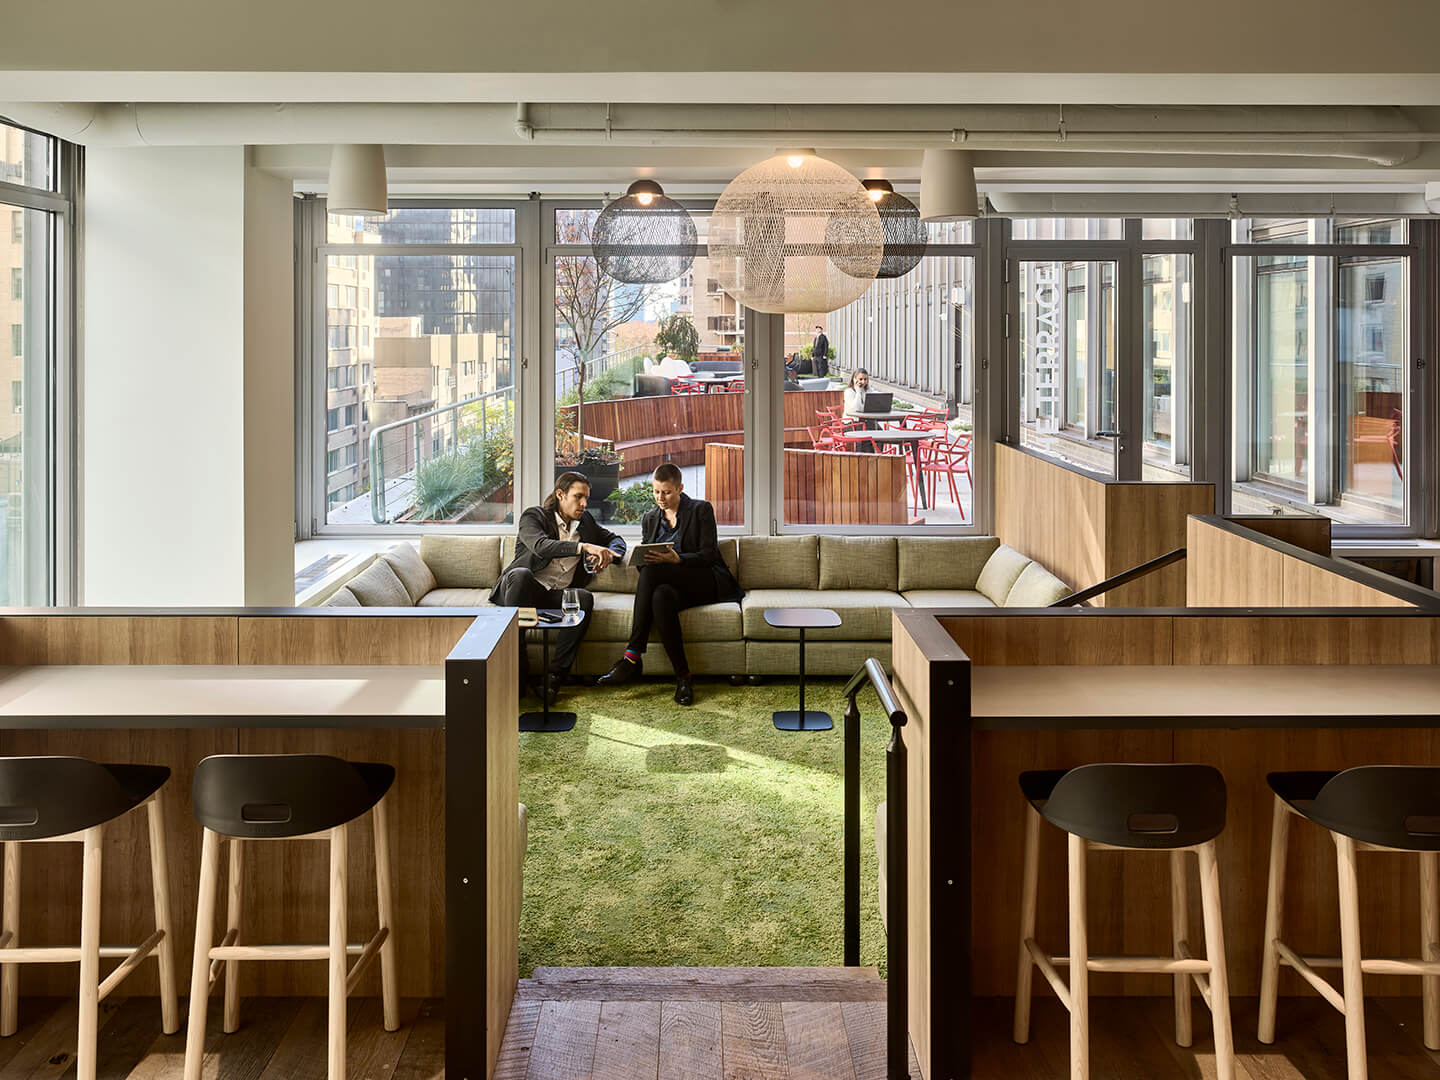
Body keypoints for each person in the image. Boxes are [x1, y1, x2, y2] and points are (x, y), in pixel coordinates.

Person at [597, 463, 742, 706]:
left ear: (680, 488)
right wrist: (641, 559)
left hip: (704, 581)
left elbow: (708, 555)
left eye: (666, 492)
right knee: (660, 597)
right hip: (670, 586)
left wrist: (678, 559)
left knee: (654, 576)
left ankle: (632, 657)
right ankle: (684, 678)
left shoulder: (700, 510)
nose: (660, 498)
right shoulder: (651, 518)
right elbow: (646, 563)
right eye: (656, 492)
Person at [491, 471, 627, 704]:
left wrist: (610, 555)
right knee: (521, 575)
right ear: (560, 494)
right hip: (521, 590)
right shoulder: (534, 516)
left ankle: (553, 678)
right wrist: (584, 548)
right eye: (578, 497)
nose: (584, 504)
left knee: (583, 598)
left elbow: (616, 539)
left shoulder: (586, 523)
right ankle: (517, 667)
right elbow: (541, 547)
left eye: (586, 498)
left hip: (554, 595)